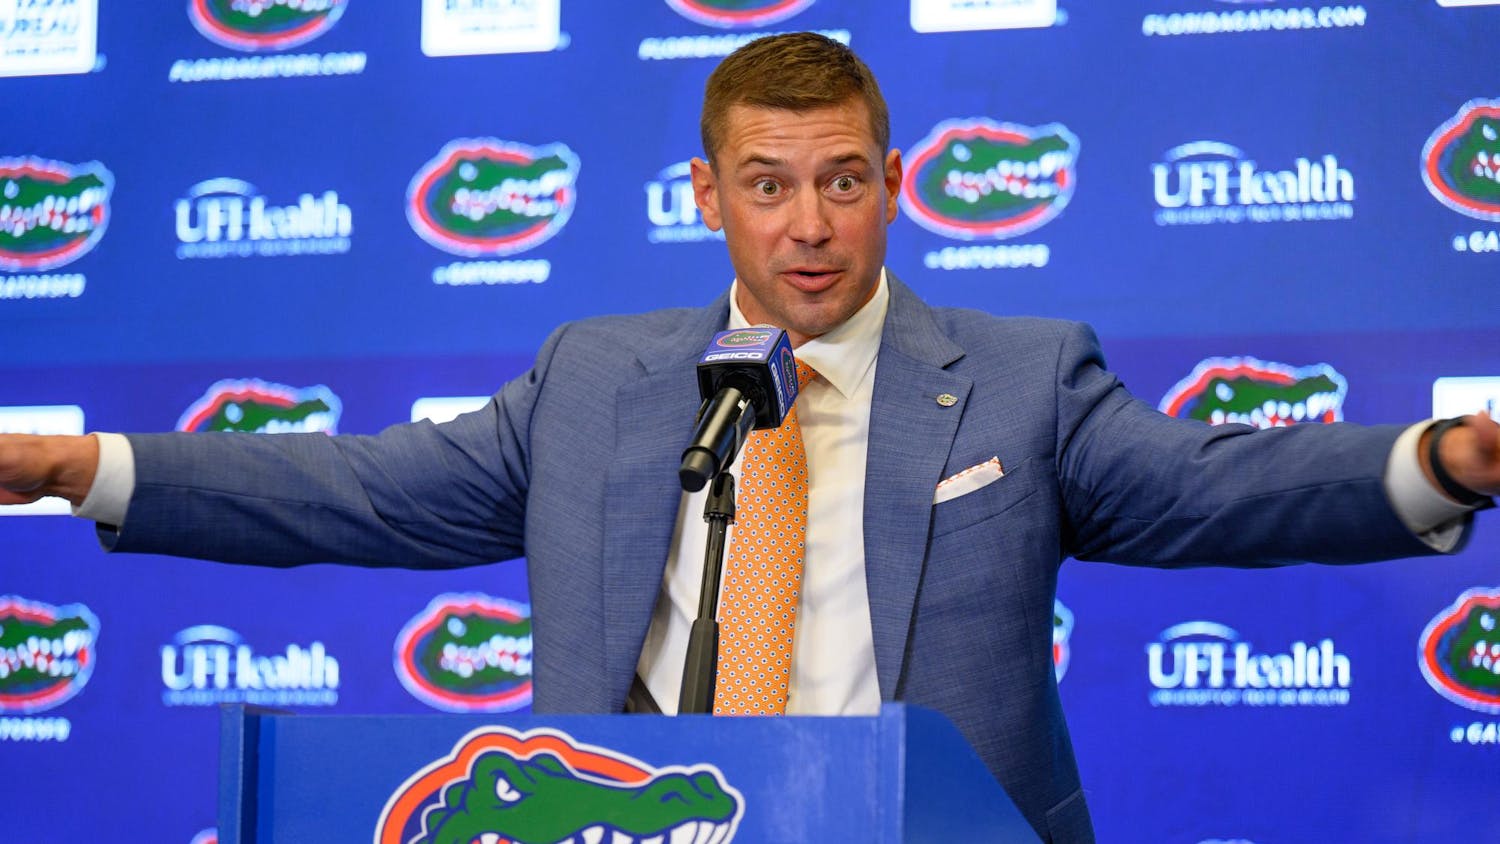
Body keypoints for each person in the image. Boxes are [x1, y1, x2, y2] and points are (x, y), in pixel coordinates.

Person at [1, 32, 1497, 843]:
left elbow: (1203, 488)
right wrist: (83, 468)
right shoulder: (595, 377)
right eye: (769, 186)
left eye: (842, 181)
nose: (810, 225)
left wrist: (1433, 464)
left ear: (895, 185)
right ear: (707, 198)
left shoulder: (1021, 379)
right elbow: (363, 488)